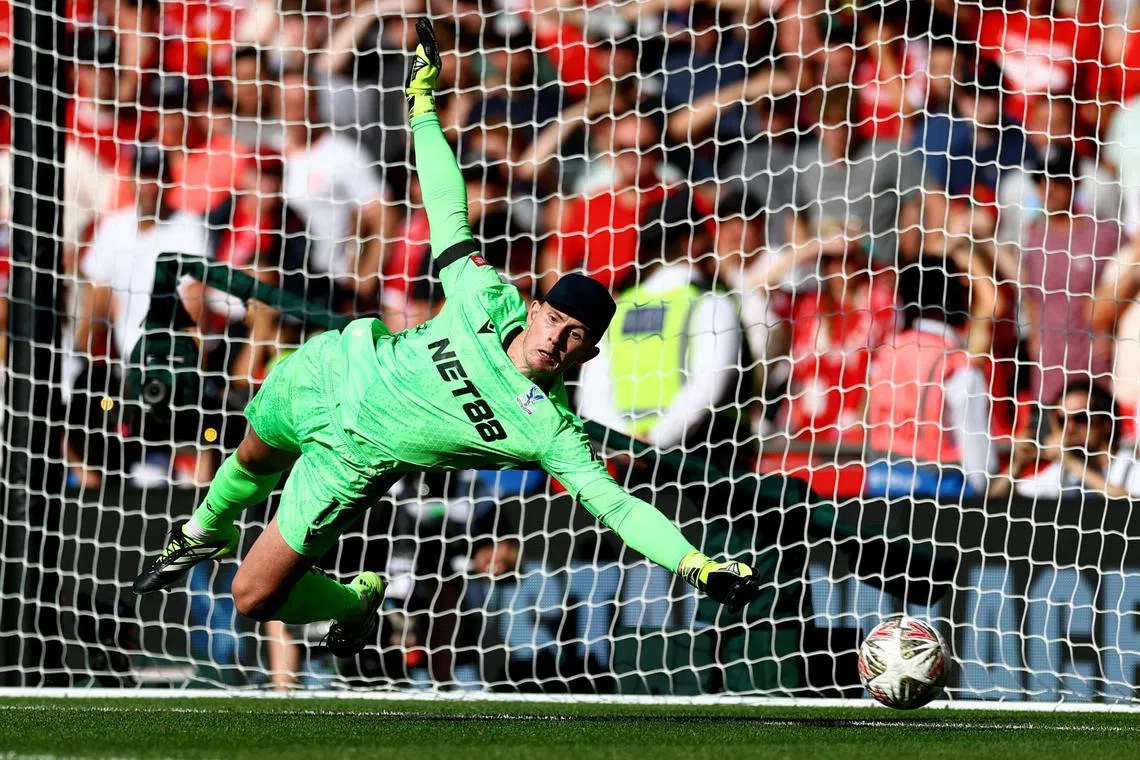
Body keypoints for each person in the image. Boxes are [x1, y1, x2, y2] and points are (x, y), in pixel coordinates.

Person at [132, 20, 760, 659]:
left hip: (352, 462)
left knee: (253, 596)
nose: (557, 339)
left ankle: (354, 603)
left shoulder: (549, 430)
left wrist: (695, 565)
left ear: (587, 354)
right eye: (554, 321)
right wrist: (423, 106)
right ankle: (201, 530)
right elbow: (446, 206)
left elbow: (619, 509)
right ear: (535, 309)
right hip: (332, 369)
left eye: (574, 337)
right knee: (252, 456)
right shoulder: (484, 295)